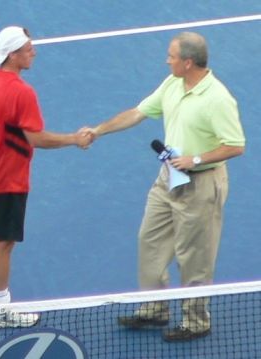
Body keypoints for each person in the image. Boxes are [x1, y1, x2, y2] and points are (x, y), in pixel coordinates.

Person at [81, 32, 245, 341]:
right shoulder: (172, 83)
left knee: (194, 256)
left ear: (187, 62)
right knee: (150, 239)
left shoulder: (218, 98)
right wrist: (99, 130)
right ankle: (154, 309)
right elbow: (138, 112)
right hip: (169, 177)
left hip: (202, 183)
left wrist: (194, 159)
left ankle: (196, 322)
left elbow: (235, 145)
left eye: (170, 56)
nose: (165, 60)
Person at [0, 26, 93, 328]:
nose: (34, 52)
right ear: (13, 55)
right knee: (4, 242)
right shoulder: (22, 92)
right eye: (28, 48)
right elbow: (36, 138)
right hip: (8, 178)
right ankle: (1, 310)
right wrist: (74, 139)